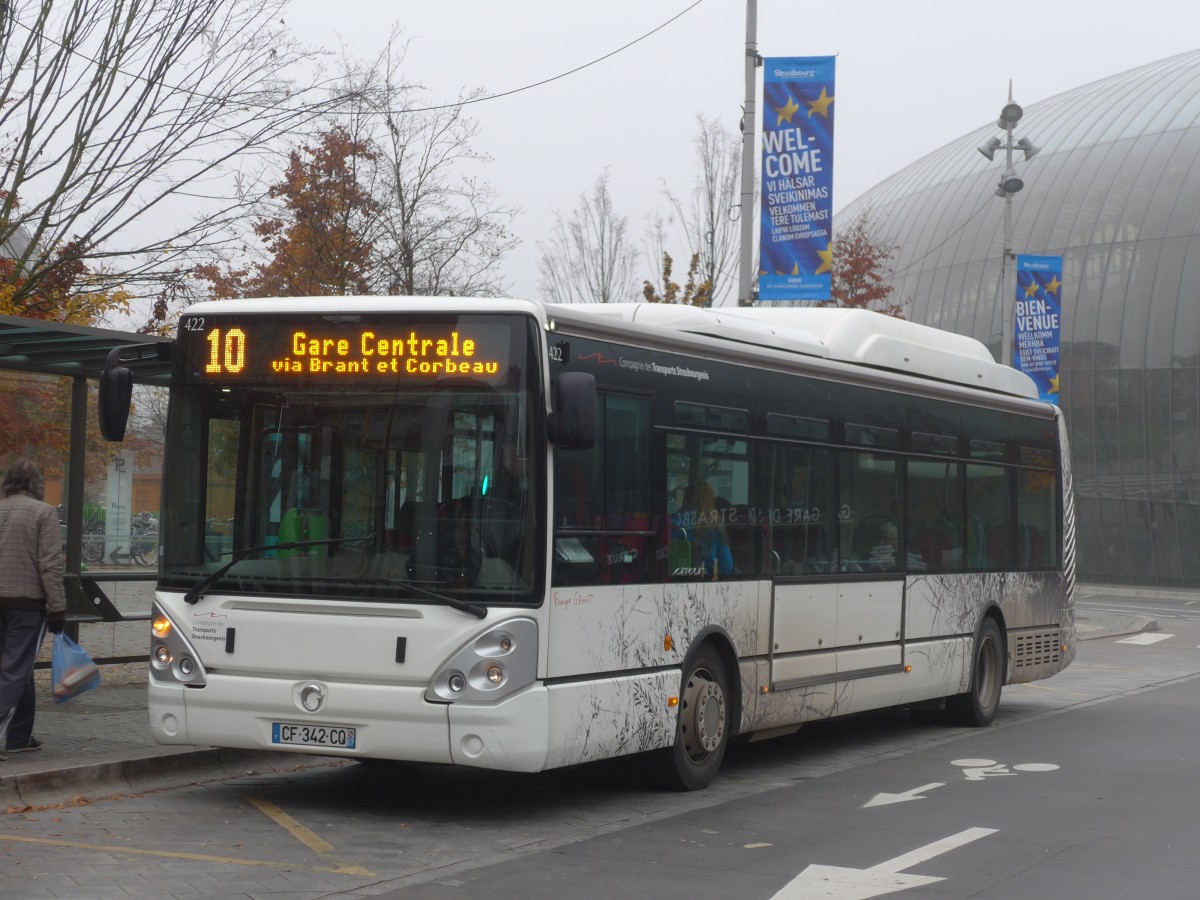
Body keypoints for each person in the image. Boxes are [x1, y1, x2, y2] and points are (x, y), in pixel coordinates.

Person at [0, 459, 67, 759]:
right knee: (15, 669)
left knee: (18, 669)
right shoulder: (44, 513)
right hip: (26, 604)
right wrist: (57, 608)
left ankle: (19, 736)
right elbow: (50, 565)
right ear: (37, 484)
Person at [686, 481, 734, 580]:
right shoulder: (716, 523)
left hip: (684, 576)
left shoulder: (680, 520)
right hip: (711, 577)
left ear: (687, 499)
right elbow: (726, 565)